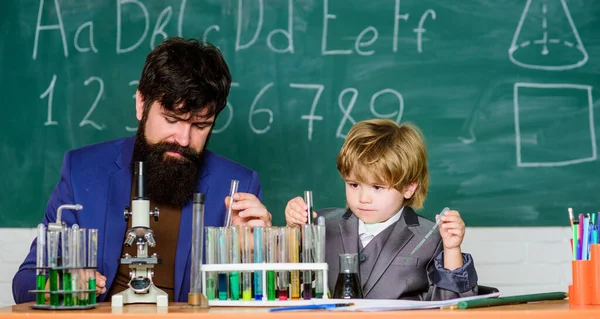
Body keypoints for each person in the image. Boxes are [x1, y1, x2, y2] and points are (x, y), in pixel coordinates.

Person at [13, 37, 271, 303]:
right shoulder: (82, 171)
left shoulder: (237, 186)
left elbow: (257, 300)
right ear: (141, 104)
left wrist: (252, 255)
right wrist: (62, 283)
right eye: (171, 119)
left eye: (200, 126)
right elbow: (25, 281)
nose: (183, 140)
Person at [285, 119, 478, 300]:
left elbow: (452, 303)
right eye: (354, 185)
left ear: (409, 188)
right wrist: (293, 230)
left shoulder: (431, 237)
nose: (363, 198)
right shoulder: (321, 224)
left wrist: (452, 249)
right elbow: (288, 283)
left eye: (377, 187)